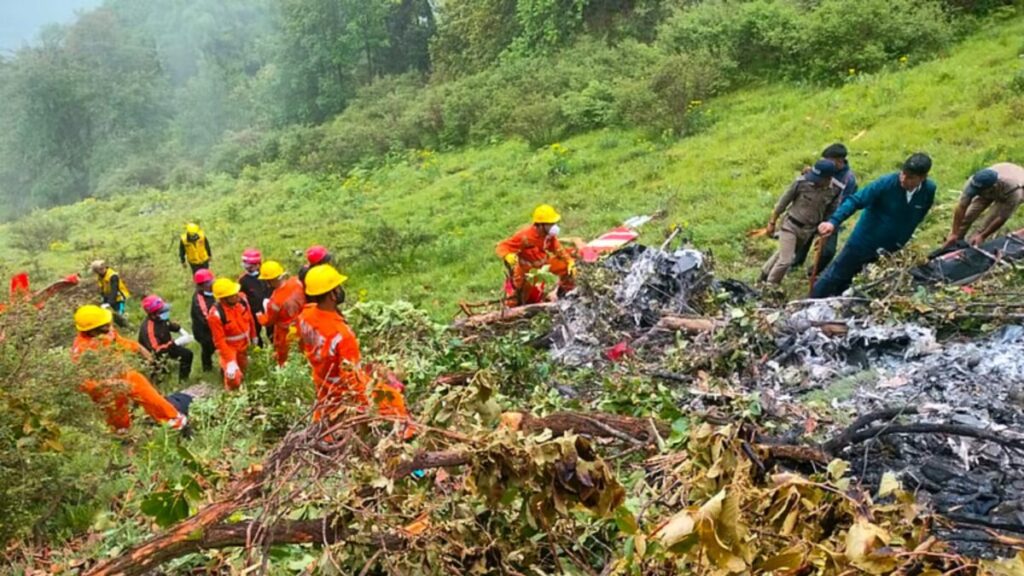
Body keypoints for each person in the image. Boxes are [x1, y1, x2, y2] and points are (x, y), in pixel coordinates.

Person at [296, 265, 410, 427]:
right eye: (337, 287)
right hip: (341, 393)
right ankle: (405, 433)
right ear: (332, 294)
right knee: (396, 400)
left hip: (322, 383)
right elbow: (353, 381)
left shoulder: (305, 315)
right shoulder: (342, 335)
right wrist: (371, 403)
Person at [812, 153, 936, 298]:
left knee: (863, 282)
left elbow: (920, 215)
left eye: (910, 177)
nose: (903, 179)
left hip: (891, 249)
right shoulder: (886, 184)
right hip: (863, 242)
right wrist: (833, 222)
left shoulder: (929, 190)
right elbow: (855, 201)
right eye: (903, 174)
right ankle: (809, 305)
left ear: (922, 178)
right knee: (836, 276)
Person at [71, 304, 189, 432]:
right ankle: (123, 434)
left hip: (122, 372)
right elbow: (84, 382)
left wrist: (140, 349)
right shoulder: (81, 351)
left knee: (149, 395)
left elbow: (122, 342)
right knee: (117, 414)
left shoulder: (106, 331)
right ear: (92, 330)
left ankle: (174, 421)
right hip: (104, 386)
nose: (109, 327)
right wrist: (109, 384)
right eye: (105, 326)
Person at [761, 159, 840, 284]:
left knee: (783, 254)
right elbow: (782, 203)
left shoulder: (835, 190)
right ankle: (770, 287)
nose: (814, 181)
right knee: (786, 260)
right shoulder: (801, 183)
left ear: (828, 178)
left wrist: (822, 235)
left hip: (807, 231)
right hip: (790, 225)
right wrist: (772, 222)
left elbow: (830, 213)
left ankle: (764, 274)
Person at [793, 144, 859, 274]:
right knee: (803, 239)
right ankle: (795, 262)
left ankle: (814, 271)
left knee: (827, 251)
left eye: (828, 160)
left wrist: (832, 222)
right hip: (814, 211)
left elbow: (844, 203)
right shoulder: (824, 167)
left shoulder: (848, 180)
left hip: (830, 217)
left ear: (839, 161)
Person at [495, 204, 577, 306]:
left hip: (544, 266)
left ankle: (567, 294)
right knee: (516, 297)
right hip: (526, 272)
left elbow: (557, 248)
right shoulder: (524, 236)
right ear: (540, 225)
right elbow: (502, 246)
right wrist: (507, 255)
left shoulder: (548, 236)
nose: (554, 226)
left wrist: (569, 261)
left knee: (566, 267)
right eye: (550, 224)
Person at [943, 163, 1024, 248]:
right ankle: (953, 244)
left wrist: (983, 235)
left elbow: (1001, 217)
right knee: (968, 216)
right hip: (991, 186)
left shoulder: (1014, 191)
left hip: (1007, 192)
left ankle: (973, 245)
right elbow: (961, 207)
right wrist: (954, 233)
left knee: (987, 223)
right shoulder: (975, 182)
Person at [207, 278, 256, 390]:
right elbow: (219, 341)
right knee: (233, 377)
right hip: (230, 349)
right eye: (233, 295)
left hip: (244, 344)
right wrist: (229, 361)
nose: (237, 295)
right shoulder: (216, 315)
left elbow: (250, 319)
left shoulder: (242, 301)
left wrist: (254, 336)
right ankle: (231, 394)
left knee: (246, 370)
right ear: (224, 299)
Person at [257, 260, 306, 366]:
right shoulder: (296, 282)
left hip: (286, 332)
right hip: (304, 324)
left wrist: (260, 317)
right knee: (304, 351)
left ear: (269, 281)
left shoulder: (274, 301)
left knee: (285, 357)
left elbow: (269, 321)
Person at [138, 295, 194, 383]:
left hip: (168, 346)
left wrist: (181, 331)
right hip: (154, 356)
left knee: (187, 354)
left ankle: (183, 381)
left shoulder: (161, 319)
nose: (165, 313)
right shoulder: (149, 329)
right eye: (162, 311)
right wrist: (176, 342)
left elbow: (169, 325)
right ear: (153, 314)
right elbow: (156, 350)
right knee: (161, 377)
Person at [239, 248, 271, 347]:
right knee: (256, 333)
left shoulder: (266, 274)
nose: (248, 269)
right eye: (246, 266)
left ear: (258, 264)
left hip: (269, 309)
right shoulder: (243, 280)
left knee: (272, 331)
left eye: (251, 267)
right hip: (254, 312)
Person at [190, 269, 217, 373]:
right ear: (201, 285)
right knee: (208, 348)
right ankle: (207, 369)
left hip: (211, 327)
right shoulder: (199, 300)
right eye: (208, 283)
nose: (211, 284)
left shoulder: (211, 292)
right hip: (203, 331)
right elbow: (206, 318)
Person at [90, 260, 130, 327]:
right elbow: (103, 288)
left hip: (120, 297)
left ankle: (127, 327)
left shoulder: (113, 276)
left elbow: (114, 290)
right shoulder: (100, 276)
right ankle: (119, 326)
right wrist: (104, 299)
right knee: (112, 314)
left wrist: (109, 303)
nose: (101, 270)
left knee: (120, 314)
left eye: (102, 268)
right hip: (110, 297)